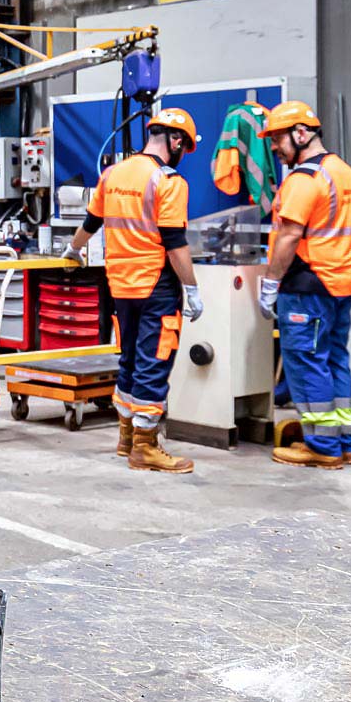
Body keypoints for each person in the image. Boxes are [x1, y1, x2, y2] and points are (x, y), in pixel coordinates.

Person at [62, 108, 205, 473]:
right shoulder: (168, 181)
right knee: (153, 363)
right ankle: (146, 447)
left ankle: (126, 437)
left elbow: (91, 222)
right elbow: (175, 243)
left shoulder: (113, 174)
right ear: (174, 141)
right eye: (184, 148)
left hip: (120, 285)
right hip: (156, 285)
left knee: (129, 361)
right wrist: (192, 288)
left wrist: (74, 250)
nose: (182, 155)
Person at [257, 101, 351, 468]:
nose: (274, 148)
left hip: (307, 287)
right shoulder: (342, 171)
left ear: (301, 133)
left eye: (277, 139)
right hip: (341, 282)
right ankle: (342, 442)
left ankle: (321, 447)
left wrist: (270, 282)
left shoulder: (304, 179)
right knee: (334, 360)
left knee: (306, 362)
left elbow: (288, 237)